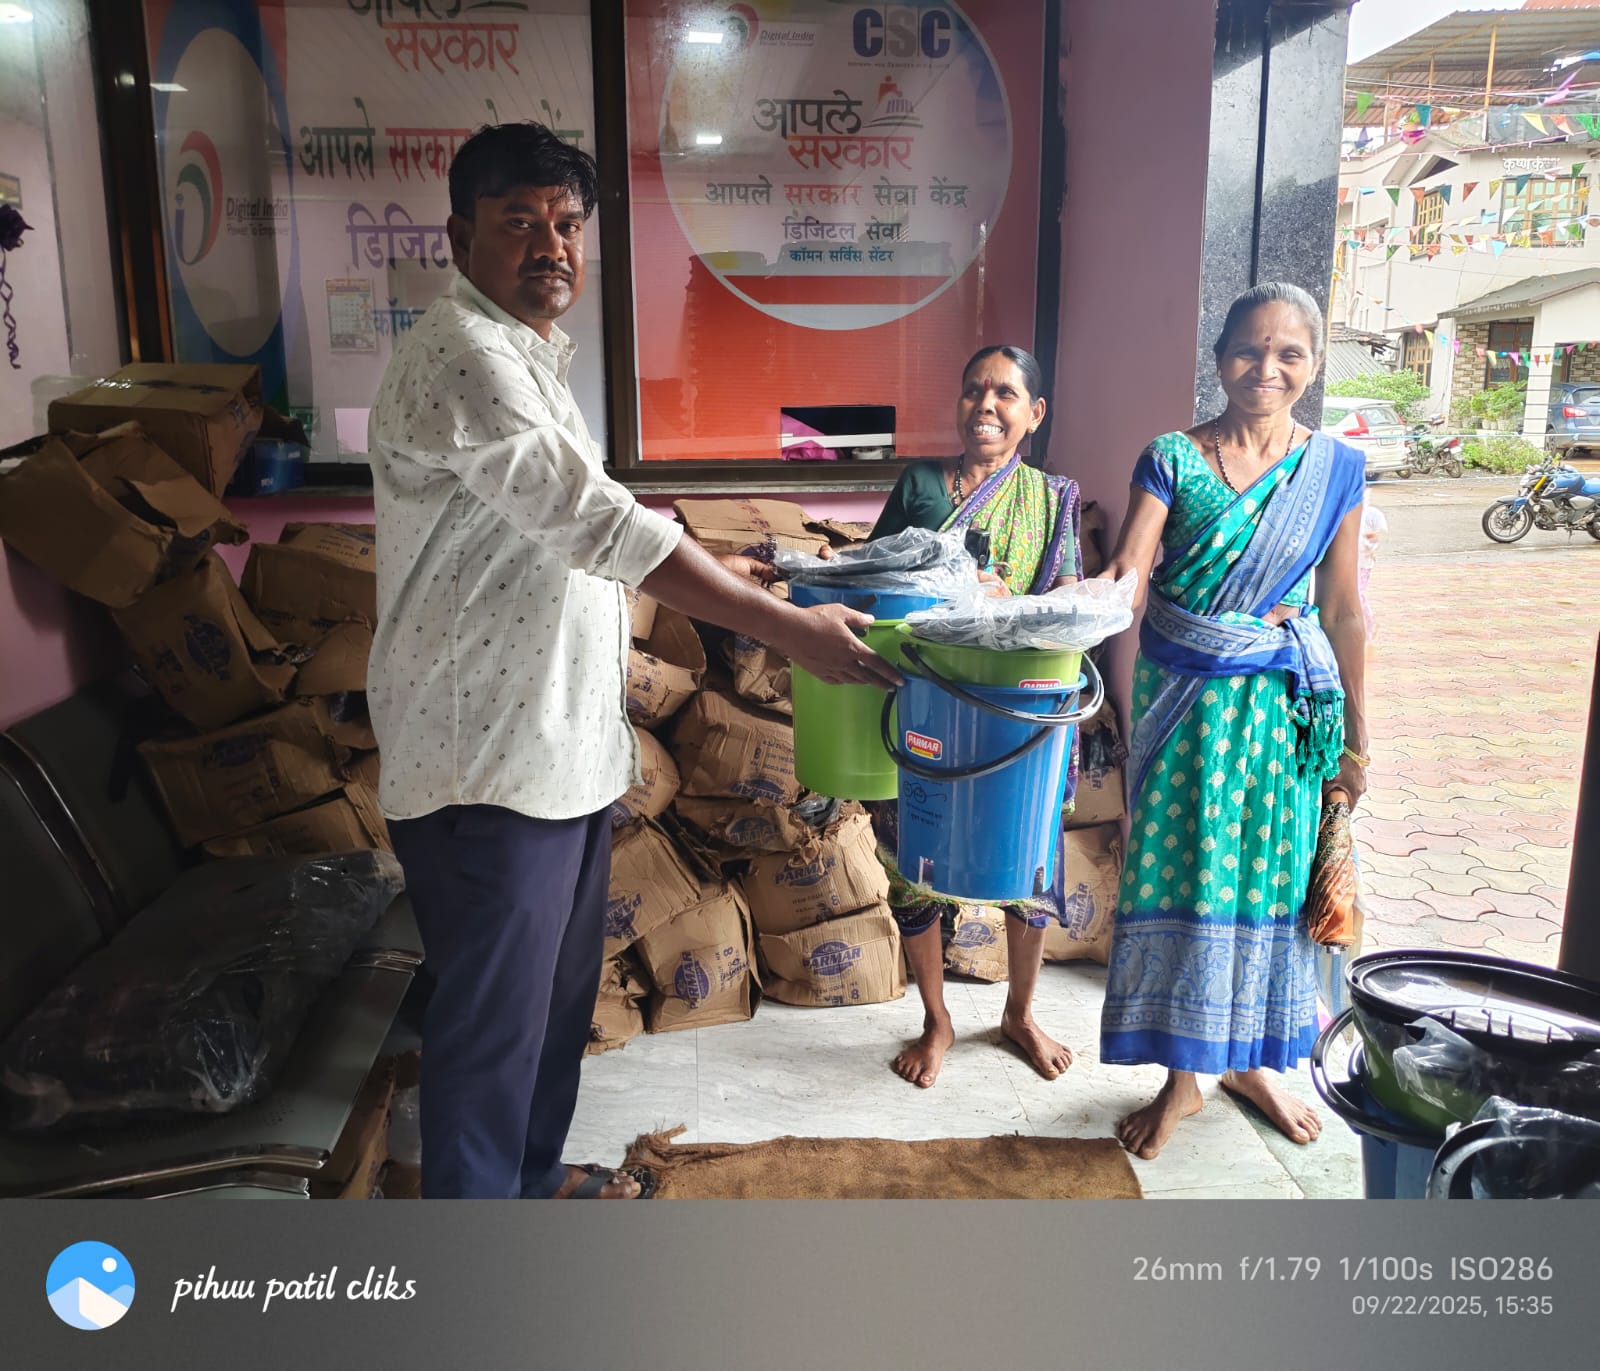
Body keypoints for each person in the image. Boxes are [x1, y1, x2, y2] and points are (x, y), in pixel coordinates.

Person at [366, 122, 900, 1200]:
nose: (551, 245)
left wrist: (724, 566)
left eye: (568, 224)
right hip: (485, 762)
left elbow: (565, 529)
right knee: (493, 1026)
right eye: (520, 221)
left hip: (558, 749)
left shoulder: (529, 354)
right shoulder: (468, 355)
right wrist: (786, 628)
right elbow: (597, 523)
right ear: (460, 238)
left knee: (555, 1007)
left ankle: (529, 1177)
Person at [1096, 282, 1369, 1160]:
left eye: (1290, 353)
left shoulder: (1335, 470)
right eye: (1250, 349)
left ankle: (1250, 1062)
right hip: (1184, 709)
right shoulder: (1172, 458)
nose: (1268, 367)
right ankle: (1185, 1078)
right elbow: (1130, 570)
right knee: (1188, 876)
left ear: (1314, 365)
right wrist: (1070, 612)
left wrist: (1356, 740)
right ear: (1218, 359)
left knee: (1268, 885)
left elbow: (1343, 608)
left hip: (1282, 714)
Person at [867, 345, 1084, 1088]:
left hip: (1018, 705)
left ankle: (1019, 1013)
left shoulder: (1053, 498)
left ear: (1035, 413)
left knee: (1029, 860)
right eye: (973, 391)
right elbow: (875, 576)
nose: (985, 406)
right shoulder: (921, 483)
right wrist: (948, 590)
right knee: (913, 857)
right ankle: (937, 1020)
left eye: (1004, 393)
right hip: (929, 698)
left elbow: (1071, 603)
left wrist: (1008, 601)